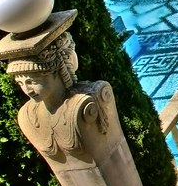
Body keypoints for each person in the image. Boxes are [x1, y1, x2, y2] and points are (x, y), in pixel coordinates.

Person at [10, 32, 110, 161]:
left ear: (57, 72)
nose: (27, 90)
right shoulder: (26, 116)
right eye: (20, 83)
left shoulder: (84, 102)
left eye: (33, 82)